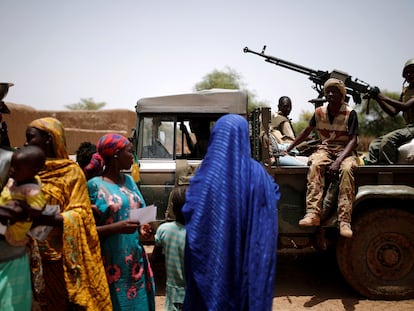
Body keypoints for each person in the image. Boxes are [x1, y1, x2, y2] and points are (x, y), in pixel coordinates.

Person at [182, 114, 280, 311]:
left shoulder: (205, 174)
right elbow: (273, 195)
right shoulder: (258, 174)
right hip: (247, 263)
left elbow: (190, 209)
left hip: (210, 268)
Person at [25, 117, 112, 310]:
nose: (25, 143)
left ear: (49, 138)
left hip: (61, 258)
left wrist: (45, 217)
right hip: (28, 253)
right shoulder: (25, 169)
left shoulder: (70, 172)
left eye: (30, 137)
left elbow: (80, 212)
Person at [87, 133, 155, 311]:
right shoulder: (94, 186)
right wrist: (116, 228)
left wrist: (144, 228)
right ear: (116, 154)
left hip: (135, 262)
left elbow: (141, 214)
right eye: (129, 152)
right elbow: (86, 231)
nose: (132, 156)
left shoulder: (130, 181)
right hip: (110, 264)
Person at [286, 78, 359, 238]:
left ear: (342, 95)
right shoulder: (319, 112)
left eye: (335, 92)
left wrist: (338, 161)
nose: (331, 94)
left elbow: (353, 140)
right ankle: (312, 214)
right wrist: (289, 149)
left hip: (345, 150)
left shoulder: (350, 113)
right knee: (315, 164)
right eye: (328, 92)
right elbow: (306, 131)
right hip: (325, 149)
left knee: (347, 170)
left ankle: (344, 221)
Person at [367, 58, 414, 164]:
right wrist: (377, 98)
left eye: (413, 71)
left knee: (388, 139)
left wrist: (382, 96)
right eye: (407, 72)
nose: (410, 74)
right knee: (375, 144)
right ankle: (372, 169)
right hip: (408, 127)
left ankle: (389, 171)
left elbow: (405, 106)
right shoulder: (405, 92)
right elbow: (393, 112)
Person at [0, 145, 46, 247]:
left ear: (33, 171)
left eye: (17, 168)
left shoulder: (32, 190)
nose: (11, 169)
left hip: (14, 231)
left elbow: (38, 209)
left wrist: (23, 206)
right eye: (11, 165)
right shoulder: (16, 179)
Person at [154, 186, 187, 311]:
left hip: (174, 293)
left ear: (172, 207)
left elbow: (155, 257)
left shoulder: (164, 230)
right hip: (195, 292)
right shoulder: (200, 233)